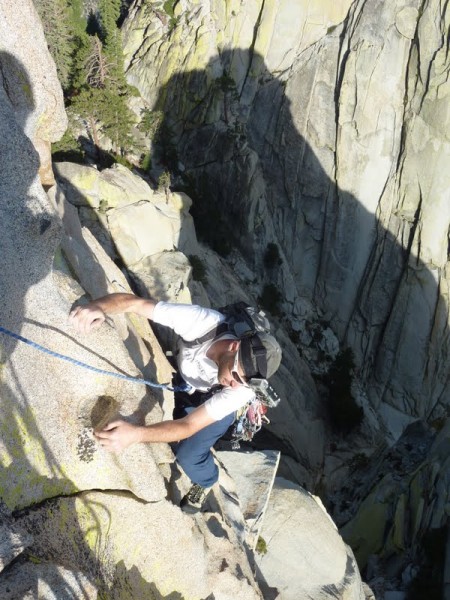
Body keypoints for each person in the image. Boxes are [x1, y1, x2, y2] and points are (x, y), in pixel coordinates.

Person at [69, 293, 282, 512]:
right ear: (233, 347)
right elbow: (136, 304)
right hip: (186, 385)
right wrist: (97, 307)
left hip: (215, 402)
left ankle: (207, 480)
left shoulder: (239, 392)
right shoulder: (203, 323)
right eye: (237, 376)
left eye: (244, 382)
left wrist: (135, 434)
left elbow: (189, 426)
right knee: (173, 435)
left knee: (188, 456)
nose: (236, 384)